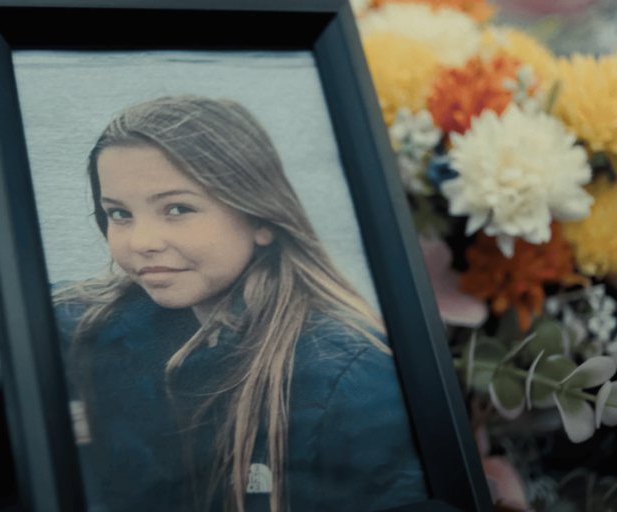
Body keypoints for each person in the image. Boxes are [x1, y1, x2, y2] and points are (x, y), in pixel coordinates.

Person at [52, 96, 429, 512]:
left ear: (260, 218)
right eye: (120, 214)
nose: (141, 241)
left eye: (177, 209)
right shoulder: (76, 327)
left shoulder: (350, 381)